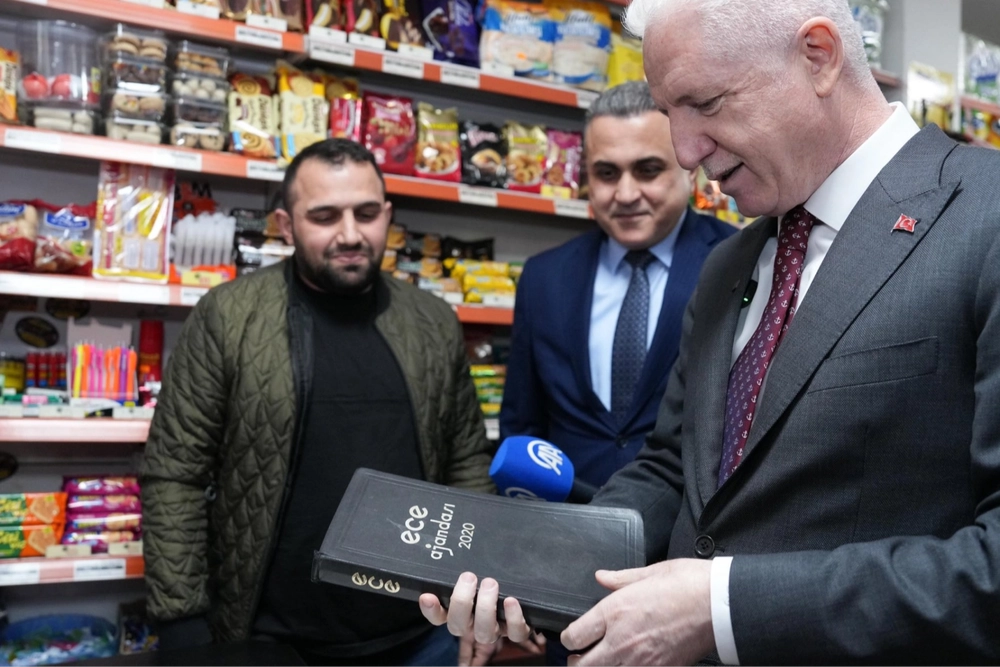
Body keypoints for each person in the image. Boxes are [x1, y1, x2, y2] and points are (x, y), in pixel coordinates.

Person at [419, 0, 1000, 665]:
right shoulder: (732, 261)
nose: (685, 152)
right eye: (672, 114)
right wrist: (540, 564)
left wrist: (722, 607)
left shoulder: (983, 216)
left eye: (706, 104)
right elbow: (677, 466)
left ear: (818, 56)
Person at [141, 139, 494, 667]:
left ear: (387, 215)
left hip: (423, 634)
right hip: (272, 641)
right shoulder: (227, 317)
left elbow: (465, 462)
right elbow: (175, 474)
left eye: (366, 214)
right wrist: (182, 624)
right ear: (286, 226)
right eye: (325, 217)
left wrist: (478, 596)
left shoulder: (432, 321)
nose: (350, 234)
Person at [501, 81, 735, 491]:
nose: (626, 194)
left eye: (648, 170)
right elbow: (523, 422)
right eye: (607, 173)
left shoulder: (738, 262)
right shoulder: (543, 278)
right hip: (567, 516)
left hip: (687, 521)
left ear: (688, 167)